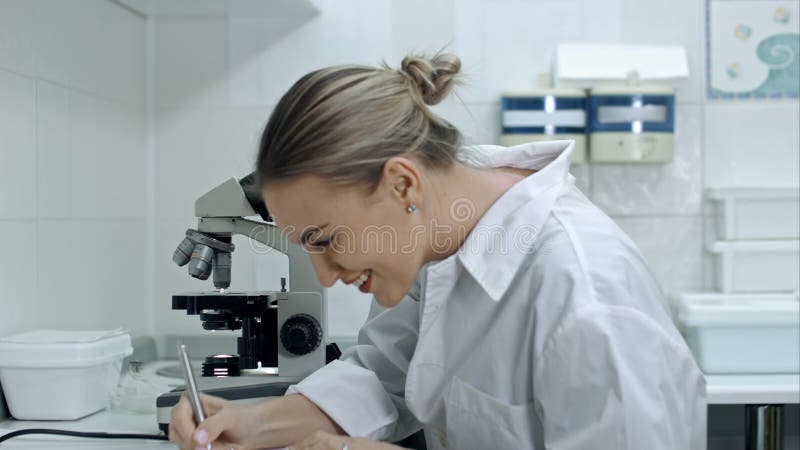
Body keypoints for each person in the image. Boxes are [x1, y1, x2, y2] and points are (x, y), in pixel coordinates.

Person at [169, 53, 707, 450]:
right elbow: (390, 373)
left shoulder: (586, 299)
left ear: (402, 184)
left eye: (327, 240)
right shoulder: (440, 235)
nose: (325, 275)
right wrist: (253, 423)